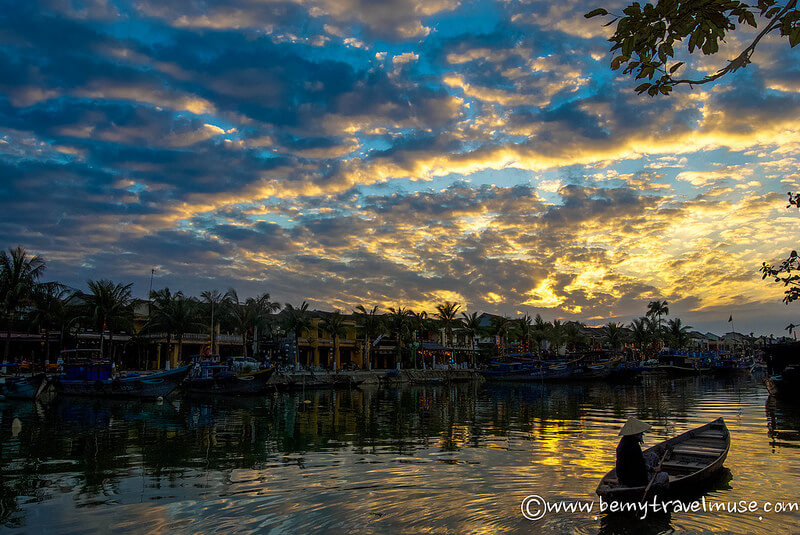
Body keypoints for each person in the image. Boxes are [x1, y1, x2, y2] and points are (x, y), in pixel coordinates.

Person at [615, 417, 652, 487]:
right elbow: (639, 465)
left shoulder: (623, 441)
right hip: (634, 481)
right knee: (663, 476)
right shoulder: (634, 446)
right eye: (640, 433)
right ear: (636, 434)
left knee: (652, 455)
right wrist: (652, 469)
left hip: (622, 478)